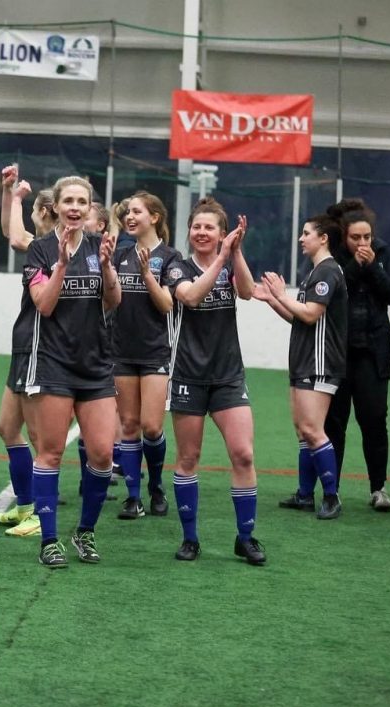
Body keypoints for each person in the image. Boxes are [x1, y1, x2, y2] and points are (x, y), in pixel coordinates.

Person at [23, 176, 122, 568]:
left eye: (83, 201)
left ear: (90, 208)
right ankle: (49, 540)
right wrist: (62, 264)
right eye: (69, 201)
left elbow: (113, 302)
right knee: (49, 454)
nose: (76, 208)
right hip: (55, 365)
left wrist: (109, 268)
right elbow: (44, 305)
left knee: (101, 454)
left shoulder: (102, 247)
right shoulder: (40, 250)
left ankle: (85, 532)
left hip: (96, 366)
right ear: (56, 207)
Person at [168, 198, 265, 565]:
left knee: (243, 453)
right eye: (197, 227)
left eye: (210, 227)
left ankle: (246, 537)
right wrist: (222, 258)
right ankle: (190, 538)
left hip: (227, 375)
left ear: (223, 233)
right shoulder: (177, 267)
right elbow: (191, 297)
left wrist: (234, 254)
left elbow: (246, 291)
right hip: (188, 375)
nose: (202, 232)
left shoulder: (229, 263)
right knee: (188, 457)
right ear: (189, 231)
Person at [254, 214, 348, 520]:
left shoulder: (329, 271)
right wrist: (272, 300)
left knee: (312, 429)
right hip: (304, 361)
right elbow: (299, 318)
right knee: (302, 430)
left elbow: (310, 314)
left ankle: (331, 497)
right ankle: (305, 494)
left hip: (320, 363)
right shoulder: (315, 272)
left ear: (323, 238)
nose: (301, 238)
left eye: (306, 233)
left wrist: (282, 295)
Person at [322, 199, 390, 512]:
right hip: (339, 353)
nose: (362, 243)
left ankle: (379, 488)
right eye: (356, 238)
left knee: (374, 421)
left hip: (373, 352)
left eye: (367, 237)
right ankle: (333, 490)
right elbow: (334, 291)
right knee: (334, 423)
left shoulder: (382, 253)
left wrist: (372, 267)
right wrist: (356, 267)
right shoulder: (332, 255)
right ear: (344, 236)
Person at [0, 166, 54, 537]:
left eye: (32, 210)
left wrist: (16, 198)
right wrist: (7, 194)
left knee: (39, 438)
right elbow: (9, 232)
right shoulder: (39, 246)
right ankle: (26, 504)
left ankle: (38, 513)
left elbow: (15, 238)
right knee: (6, 428)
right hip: (24, 344)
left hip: (42, 347)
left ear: (44, 212)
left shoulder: (54, 248)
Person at [112, 191, 181, 519]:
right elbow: (108, 300)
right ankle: (133, 495)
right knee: (128, 425)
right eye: (127, 212)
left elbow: (168, 305)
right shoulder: (119, 254)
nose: (129, 216)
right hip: (122, 352)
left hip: (155, 353)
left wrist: (147, 277)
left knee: (152, 427)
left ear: (154, 217)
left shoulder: (170, 257)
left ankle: (156, 486)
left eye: (136, 211)